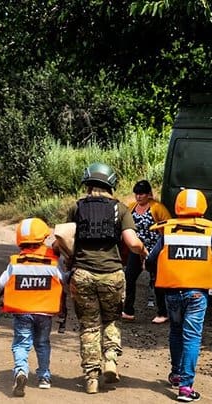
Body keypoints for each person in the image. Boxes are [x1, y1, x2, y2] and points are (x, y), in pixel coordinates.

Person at [67, 162, 148, 394]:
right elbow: (132, 243)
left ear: (88, 182)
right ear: (110, 183)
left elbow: (63, 238)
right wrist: (143, 252)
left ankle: (91, 377)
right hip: (111, 274)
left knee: (89, 326)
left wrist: (68, 260)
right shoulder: (120, 209)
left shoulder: (76, 207)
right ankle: (111, 359)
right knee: (112, 319)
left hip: (82, 274)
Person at [146, 189, 212, 402]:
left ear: (178, 206)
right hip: (196, 295)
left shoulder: (168, 231)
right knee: (191, 337)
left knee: (175, 331)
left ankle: (175, 374)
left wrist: (156, 272)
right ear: (202, 207)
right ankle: (185, 388)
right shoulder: (208, 232)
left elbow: (151, 260)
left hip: (172, 293)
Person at [0, 218, 66, 397]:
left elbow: (1, 283)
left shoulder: (15, 262)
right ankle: (44, 377)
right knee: (42, 343)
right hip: (45, 312)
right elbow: (63, 279)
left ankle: (21, 371)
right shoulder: (52, 260)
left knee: (21, 344)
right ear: (43, 238)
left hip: (22, 312)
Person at [122, 179, 172, 323]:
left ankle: (163, 312)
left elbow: (168, 227)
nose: (139, 196)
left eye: (142, 194)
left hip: (155, 249)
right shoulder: (131, 207)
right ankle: (128, 310)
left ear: (148, 194)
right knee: (129, 277)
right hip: (137, 248)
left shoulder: (158, 208)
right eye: (136, 194)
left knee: (157, 281)